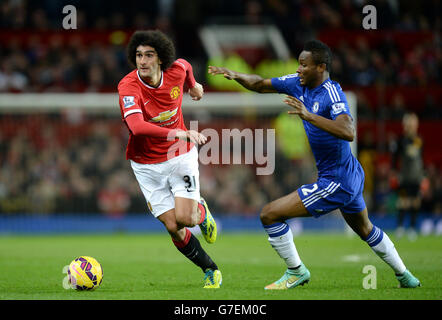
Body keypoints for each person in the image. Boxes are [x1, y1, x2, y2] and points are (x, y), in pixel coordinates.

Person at [208, 40, 420, 289]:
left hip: (337, 180)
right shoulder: (298, 84)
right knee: (366, 229)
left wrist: (309, 115)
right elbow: (259, 84)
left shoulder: (332, 92)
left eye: (303, 65)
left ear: (320, 67)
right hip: (345, 175)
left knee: (269, 214)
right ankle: (406, 276)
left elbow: (348, 131)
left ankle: (296, 271)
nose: (298, 69)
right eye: (298, 63)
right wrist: (234, 75)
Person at [117, 30, 221, 288]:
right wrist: (179, 132)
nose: (143, 61)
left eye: (149, 55)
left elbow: (185, 66)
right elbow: (138, 127)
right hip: (144, 163)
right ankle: (211, 269)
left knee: (187, 220)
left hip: (179, 156)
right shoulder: (128, 87)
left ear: (160, 58)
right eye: (139, 55)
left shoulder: (176, 71)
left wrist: (194, 85)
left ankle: (200, 210)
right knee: (173, 226)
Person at [390, 112, 424, 241]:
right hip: (404, 176)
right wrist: (394, 172)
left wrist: (423, 175)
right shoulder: (400, 140)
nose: (411, 126)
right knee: (403, 202)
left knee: (415, 202)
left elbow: (422, 158)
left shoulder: (419, 140)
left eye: (413, 123)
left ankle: (412, 228)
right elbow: (394, 158)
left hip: (416, 176)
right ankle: (400, 227)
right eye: (409, 123)